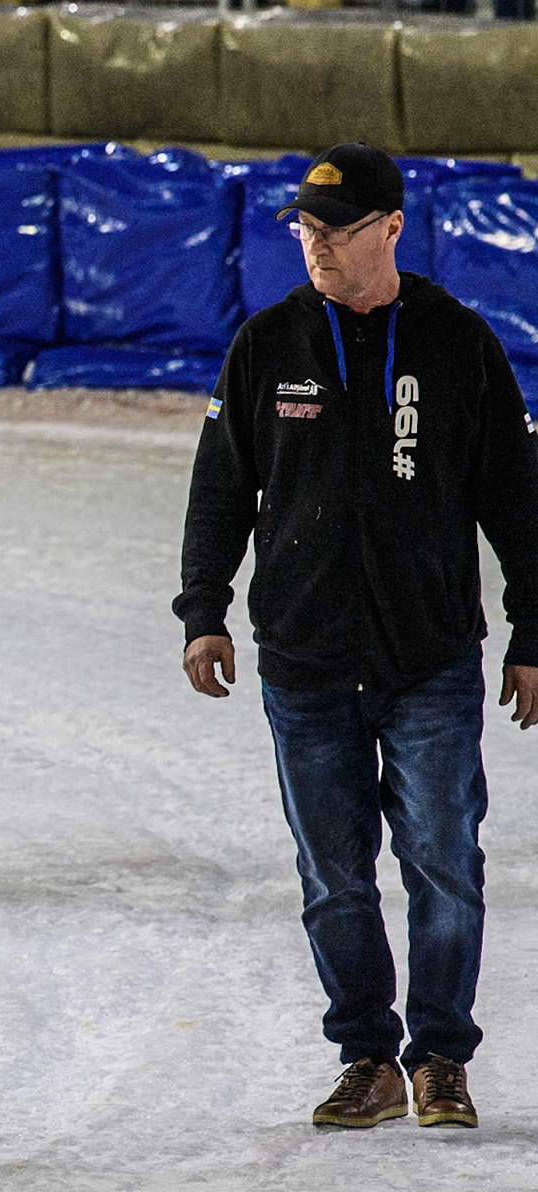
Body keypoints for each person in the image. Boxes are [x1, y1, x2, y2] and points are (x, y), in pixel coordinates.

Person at [176, 142, 538, 1131]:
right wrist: (202, 608)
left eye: (334, 229)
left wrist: (531, 629)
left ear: (390, 228)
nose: (316, 244)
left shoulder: (459, 344)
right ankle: (369, 1055)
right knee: (334, 876)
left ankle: (443, 1058)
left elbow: (516, 496)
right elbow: (221, 490)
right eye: (304, 228)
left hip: (428, 662)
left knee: (444, 861)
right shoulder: (267, 344)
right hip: (305, 664)